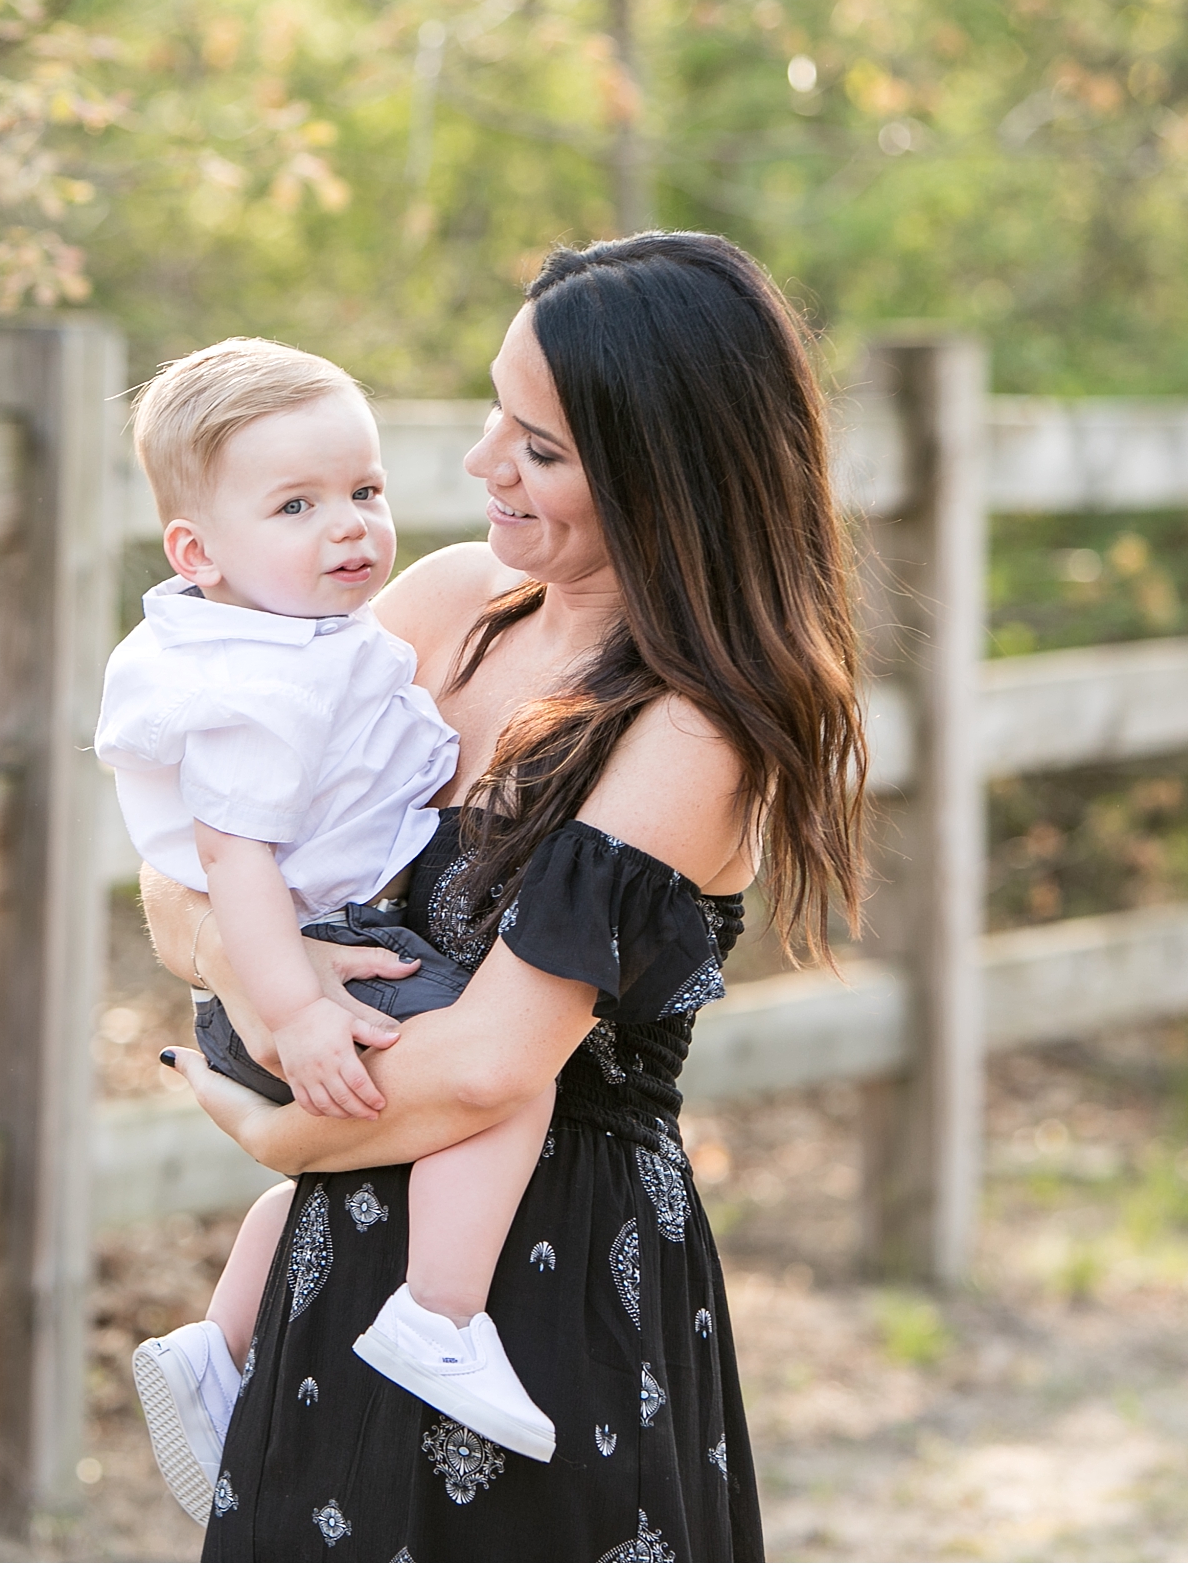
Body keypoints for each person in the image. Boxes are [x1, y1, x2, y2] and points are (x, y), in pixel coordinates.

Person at [148, 232, 867, 1561]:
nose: (483, 463)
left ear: (663, 476)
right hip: (349, 1250)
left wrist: (271, 1134)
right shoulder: (443, 608)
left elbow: (486, 1068)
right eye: (496, 411)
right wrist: (279, 975)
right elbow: (186, 865)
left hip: (546, 1295)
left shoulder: (687, 734)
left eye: (538, 446)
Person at [98, 339, 568, 1527]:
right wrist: (290, 1007)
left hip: (311, 967)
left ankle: (222, 1343)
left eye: (363, 492)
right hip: (303, 979)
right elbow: (226, 864)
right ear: (198, 554)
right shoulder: (264, 684)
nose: (351, 528)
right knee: (518, 1090)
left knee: (390, 1153)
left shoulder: (314, 638)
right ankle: (437, 1317)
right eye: (298, 506)